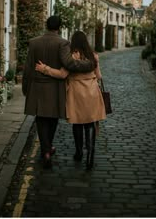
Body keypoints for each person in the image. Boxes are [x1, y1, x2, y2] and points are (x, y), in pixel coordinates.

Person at [22, 16, 95, 169]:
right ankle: (48, 149)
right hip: (55, 87)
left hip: (37, 87)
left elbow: (28, 67)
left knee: (41, 119)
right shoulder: (62, 43)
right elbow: (69, 64)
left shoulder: (34, 42)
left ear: (46, 25)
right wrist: (90, 64)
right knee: (52, 118)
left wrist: (25, 87)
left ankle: (46, 150)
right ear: (59, 27)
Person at [35, 30, 106, 170]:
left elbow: (62, 74)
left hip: (77, 92)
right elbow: (99, 76)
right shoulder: (94, 56)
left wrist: (44, 69)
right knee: (90, 123)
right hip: (92, 92)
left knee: (78, 123)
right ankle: (90, 154)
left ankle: (79, 152)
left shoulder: (72, 56)